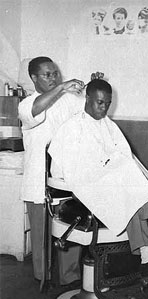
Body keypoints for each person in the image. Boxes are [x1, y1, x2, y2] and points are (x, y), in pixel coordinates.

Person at [48, 79, 148, 276]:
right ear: (87, 98)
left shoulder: (108, 125)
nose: (104, 108)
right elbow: (65, 168)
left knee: (130, 185)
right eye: (99, 102)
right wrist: (104, 168)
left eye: (108, 104)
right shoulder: (71, 126)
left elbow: (125, 155)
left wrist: (110, 167)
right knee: (126, 181)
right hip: (84, 187)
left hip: (110, 185)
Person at [18, 56, 87, 286]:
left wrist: (91, 87)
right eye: (47, 75)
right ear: (34, 78)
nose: (54, 77)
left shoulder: (68, 100)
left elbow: (87, 111)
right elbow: (37, 110)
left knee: (71, 225)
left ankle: (70, 277)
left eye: (55, 73)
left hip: (65, 174)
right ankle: (43, 278)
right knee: (41, 235)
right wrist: (60, 87)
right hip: (39, 179)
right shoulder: (27, 103)